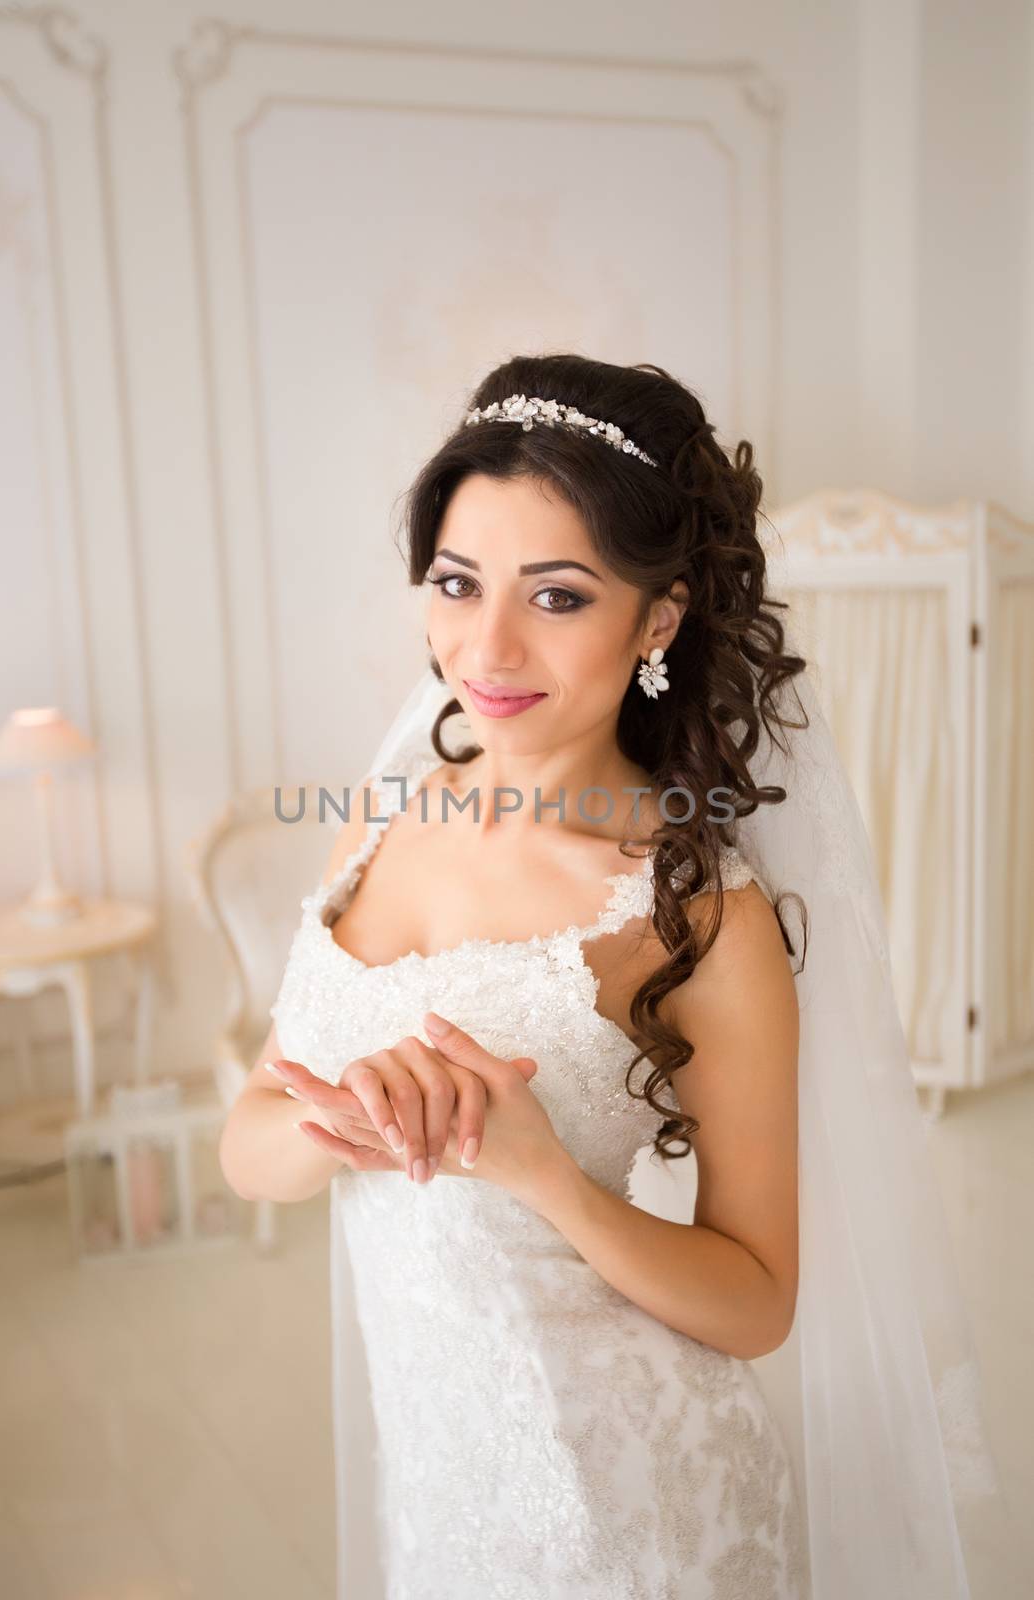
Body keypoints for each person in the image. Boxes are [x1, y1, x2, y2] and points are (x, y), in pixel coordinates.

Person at [219, 355, 1001, 1599]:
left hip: (631, 1509)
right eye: (458, 583)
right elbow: (248, 1144)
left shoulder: (698, 916)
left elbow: (756, 1305)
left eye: (559, 596)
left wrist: (546, 1180)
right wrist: (347, 1119)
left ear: (659, 616)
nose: (488, 645)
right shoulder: (376, 819)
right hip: (442, 1485)